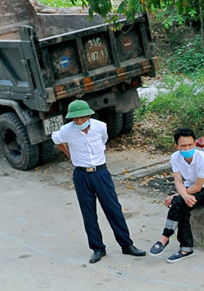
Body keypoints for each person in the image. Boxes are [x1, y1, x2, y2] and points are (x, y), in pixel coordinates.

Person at [52, 99, 146, 264]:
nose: (79, 121)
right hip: (81, 175)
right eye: (75, 119)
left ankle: (126, 245)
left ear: (88, 115)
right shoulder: (67, 131)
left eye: (82, 118)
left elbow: (103, 140)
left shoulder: (100, 127)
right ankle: (98, 248)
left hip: (101, 172)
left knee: (113, 209)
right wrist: (70, 155)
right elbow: (56, 139)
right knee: (88, 212)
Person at [149, 128, 204, 263]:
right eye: (183, 146)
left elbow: (198, 187)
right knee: (182, 207)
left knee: (178, 202)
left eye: (190, 145)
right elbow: (178, 181)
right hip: (188, 188)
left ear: (194, 144)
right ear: (177, 146)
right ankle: (186, 248)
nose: (187, 148)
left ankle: (165, 237)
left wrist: (178, 196)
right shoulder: (175, 157)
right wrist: (180, 195)